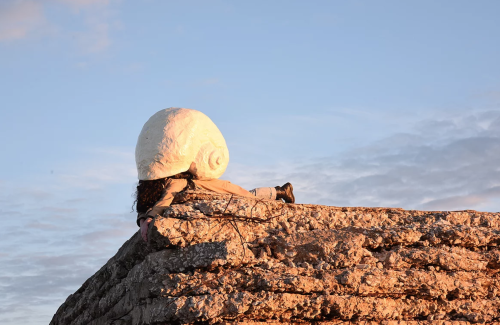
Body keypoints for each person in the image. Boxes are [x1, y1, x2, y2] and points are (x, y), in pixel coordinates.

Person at [134, 108, 295, 242]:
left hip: (208, 186)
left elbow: (165, 198)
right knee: (245, 194)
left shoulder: (174, 182)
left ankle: (280, 192)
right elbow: (154, 200)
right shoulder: (170, 180)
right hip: (210, 187)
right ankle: (279, 191)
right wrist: (144, 218)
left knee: (246, 196)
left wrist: (148, 218)